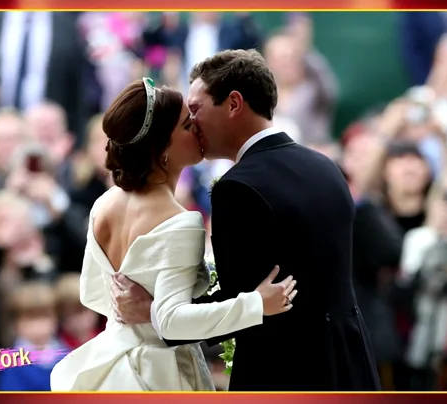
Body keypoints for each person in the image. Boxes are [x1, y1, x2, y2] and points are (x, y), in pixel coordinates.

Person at [110, 49, 381, 391]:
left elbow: (243, 304)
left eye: (196, 109)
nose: (192, 124)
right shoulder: (326, 167)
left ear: (234, 104)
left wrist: (154, 313)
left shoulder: (238, 188)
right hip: (351, 365)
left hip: (284, 373)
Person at [49, 77, 297, 392]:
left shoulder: (106, 203)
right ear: (160, 148)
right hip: (159, 376)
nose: (197, 128)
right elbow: (172, 321)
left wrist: (141, 313)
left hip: (110, 366)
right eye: (185, 125)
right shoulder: (180, 222)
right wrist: (256, 305)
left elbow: (92, 293)